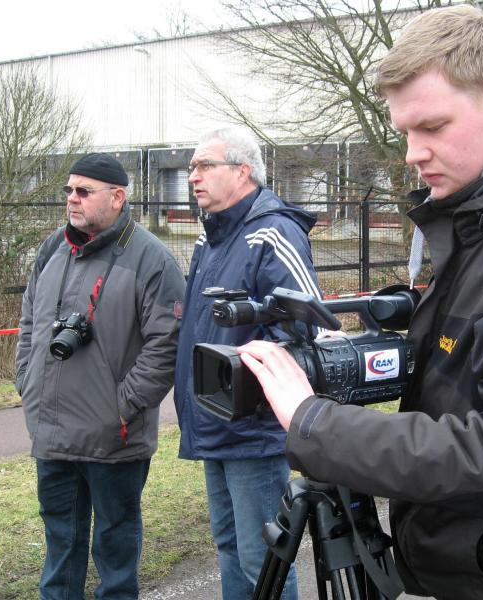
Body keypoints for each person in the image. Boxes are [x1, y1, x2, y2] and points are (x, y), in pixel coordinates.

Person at [237, 6, 483, 600]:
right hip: (477, 564)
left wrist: (318, 425)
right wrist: (361, 352)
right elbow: (467, 366)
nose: (412, 153)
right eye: (405, 132)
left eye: (431, 127)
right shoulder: (481, 219)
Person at [15, 153, 186, 600]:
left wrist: (120, 407)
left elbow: (167, 345)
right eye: (69, 190)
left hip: (114, 438)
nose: (72, 198)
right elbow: (29, 321)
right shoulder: (53, 248)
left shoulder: (151, 258)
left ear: (117, 197)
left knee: (115, 546)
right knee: (60, 544)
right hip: (53, 432)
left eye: (84, 191)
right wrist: (27, 381)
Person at [174, 126, 320, 600]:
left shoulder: (273, 232)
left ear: (242, 171)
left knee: (263, 559)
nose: (193, 176)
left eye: (204, 165)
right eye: (191, 167)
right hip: (212, 420)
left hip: (252, 430)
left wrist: (243, 385)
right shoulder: (210, 239)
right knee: (229, 546)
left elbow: (305, 328)